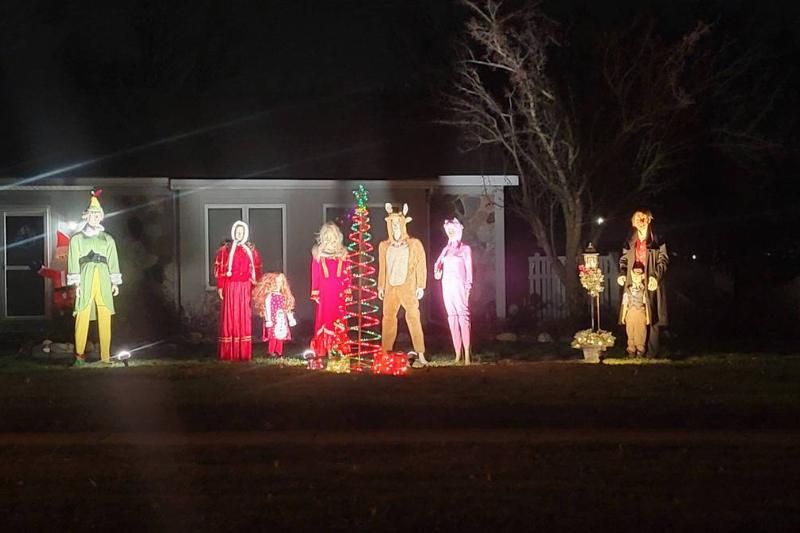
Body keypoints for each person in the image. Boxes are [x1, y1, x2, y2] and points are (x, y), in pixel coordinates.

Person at [67, 189, 122, 366]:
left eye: (98, 215)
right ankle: (79, 356)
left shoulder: (107, 239)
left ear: (101, 217)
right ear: (86, 217)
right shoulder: (77, 239)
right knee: (82, 314)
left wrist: (115, 282)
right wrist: (76, 283)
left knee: (105, 314)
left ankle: (105, 357)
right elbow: (73, 261)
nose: (95, 218)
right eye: (92, 215)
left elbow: (113, 260)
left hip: (104, 277)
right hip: (85, 277)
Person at [378, 203, 427, 364]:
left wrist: (420, 285)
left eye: (398, 225)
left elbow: (421, 264)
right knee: (388, 318)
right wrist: (380, 286)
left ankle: (420, 353)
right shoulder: (384, 246)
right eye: (393, 225)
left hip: (407, 287)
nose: (396, 229)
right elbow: (382, 267)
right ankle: (385, 352)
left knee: (413, 316)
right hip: (391, 287)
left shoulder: (414, 244)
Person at [617, 210, 668, 357]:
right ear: (633, 222)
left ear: (649, 219)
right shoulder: (630, 241)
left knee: (652, 316)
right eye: (637, 217)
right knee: (633, 315)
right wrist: (622, 274)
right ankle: (633, 348)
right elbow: (623, 259)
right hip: (634, 281)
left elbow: (663, 259)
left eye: (643, 217)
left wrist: (655, 277)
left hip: (651, 279)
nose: (640, 220)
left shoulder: (657, 239)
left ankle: (651, 352)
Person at [214, 220, 262, 361]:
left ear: (245, 233)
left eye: (241, 232)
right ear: (233, 233)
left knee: (243, 317)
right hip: (231, 287)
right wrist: (221, 286)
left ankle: (243, 352)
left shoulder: (251, 250)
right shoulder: (226, 250)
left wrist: (255, 287)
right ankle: (229, 353)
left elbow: (256, 269)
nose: (239, 234)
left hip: (244, 287)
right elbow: (221, 269)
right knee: (230, 317)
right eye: (237, 232)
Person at [434, 218, 473, 364]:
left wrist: (468, 287)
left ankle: (467, 355)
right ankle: (457, 353)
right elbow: (437, 265)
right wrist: (437, 270)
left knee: (463, 317)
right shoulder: (446, 249)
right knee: (452, 317)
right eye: (448, 231)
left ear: (458, 231)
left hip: (459, 286)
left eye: (452, 230)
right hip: (447, 285)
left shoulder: (465, 249)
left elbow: (469, 270)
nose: (450, 233)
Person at [310, 222, 351, 357]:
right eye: (327, 236)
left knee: (338, 318)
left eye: (332, 236)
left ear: (337, 237)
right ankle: (325, 348)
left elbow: (347, 274)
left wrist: (347, 290)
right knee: (325, 318)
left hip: (339, 293)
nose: (330, 239)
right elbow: (315, 275)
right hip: (325, 293)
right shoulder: (318, 255)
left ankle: (339, 347)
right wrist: (315, 292)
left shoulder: (344, 254)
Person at [253, 272, 297, 357]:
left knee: (280, 335)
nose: (278, 284)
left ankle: (279, 352)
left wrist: (291, 318)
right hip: (273, 319)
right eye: (276, 282)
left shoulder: (284, 296)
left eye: (280, 282)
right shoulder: (270, 296)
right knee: (273, 335)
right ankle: (271, 351)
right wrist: (268, 319)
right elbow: (267, 308)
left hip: (281, 320)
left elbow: (287, 308)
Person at [620, 262, 648, 357]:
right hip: (630, 313)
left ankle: (640, 349)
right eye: (635, 276)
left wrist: (648, 317)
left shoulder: (643, 291)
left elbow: (646, 304)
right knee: (630, 331)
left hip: (640, 313)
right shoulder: (628, 290)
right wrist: (623, 316)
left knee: (640, 332)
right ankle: (631, 350)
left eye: (638, 276)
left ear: (642, 277)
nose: (636, 278)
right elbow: (625, 303)